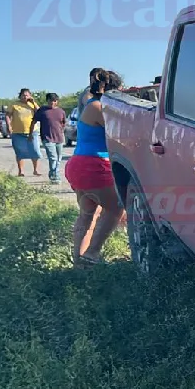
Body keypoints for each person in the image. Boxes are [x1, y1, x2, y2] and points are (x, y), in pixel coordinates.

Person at [65, 70, 126, 267]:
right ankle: (92, 254)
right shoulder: (99, 108)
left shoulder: (90, 105)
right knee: (116, 208)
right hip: (94, 166)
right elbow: (122, 132)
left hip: (79, 165)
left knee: (88, 214)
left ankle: (79, 262)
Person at [4, 89, 42, 177]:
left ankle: (36, 170)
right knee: (19, 152)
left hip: (32, 131)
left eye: (27, 95)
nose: (25, 97)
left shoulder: (32, 104)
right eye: (23, 95)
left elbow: (40, 112)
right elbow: (8, 115)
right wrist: (8, 125)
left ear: (30, 96)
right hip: (18, 132)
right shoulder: (14, 105)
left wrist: (33, 102)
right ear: (20, 96)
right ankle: (21, 171)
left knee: (35, 150)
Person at [34, 93, 68, 183]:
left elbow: (64, 123)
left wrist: (62, 132)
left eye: (54, 101)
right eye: (50, 100)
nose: (52, 103)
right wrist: (31, 134)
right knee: (53, 157)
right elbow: (33, 121)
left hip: (59, 138)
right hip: (47, 137)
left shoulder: (61, 111)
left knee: (59, 158)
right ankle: (55, 176)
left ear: (57, 101)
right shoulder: (42, 110)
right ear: (47, 101)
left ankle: (52, 173)